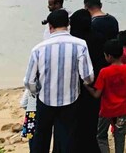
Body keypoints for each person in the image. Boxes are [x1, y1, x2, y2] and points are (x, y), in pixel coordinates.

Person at [24, 10, 94, 153]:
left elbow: (29, 81)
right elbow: (88, 77)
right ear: (68, 25)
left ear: (50, 27)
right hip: (71, 100)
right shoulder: (80, 45)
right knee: (67, 140)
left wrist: (37, 90)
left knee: (41, 139)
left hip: (45, 100)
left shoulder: (38, 49)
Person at [88, 40, 126, 153]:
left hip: (106, 111)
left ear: (109, 56)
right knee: (120, 136)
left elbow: (97, 94)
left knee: (101, 136)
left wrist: (87, 87)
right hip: (122, 110)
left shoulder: (104, 72)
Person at [70, 9, 104, 152]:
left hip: (74, 88)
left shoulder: (73, 41)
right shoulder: (99, 38)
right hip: (94, 87)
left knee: (74, 123)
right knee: (91, 122)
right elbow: (103, 63)